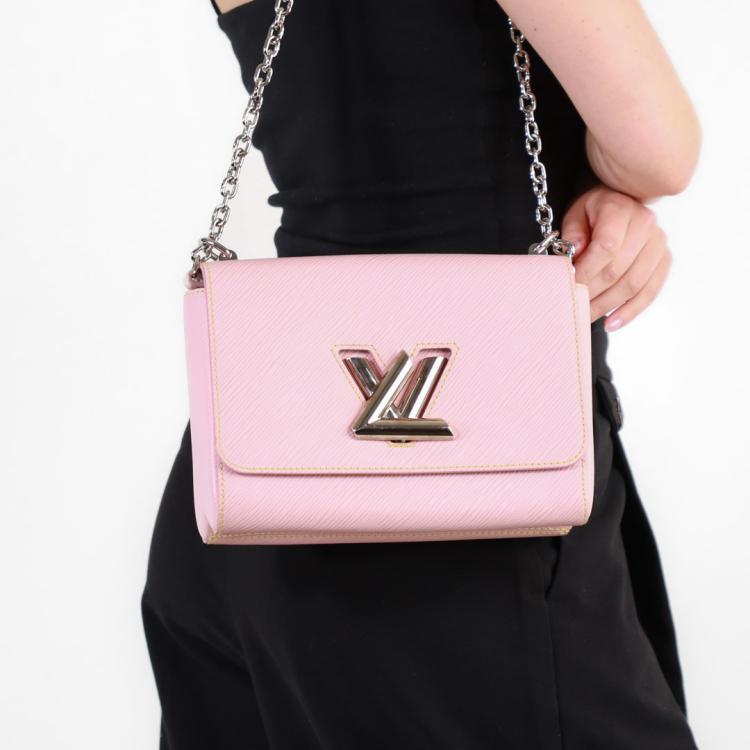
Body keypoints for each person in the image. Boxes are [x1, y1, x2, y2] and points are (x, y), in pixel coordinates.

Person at [142, 1, 702, 747]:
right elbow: (660, 148)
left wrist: (594, 194)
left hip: (254, 489)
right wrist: (607, 188)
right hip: (472, 514)